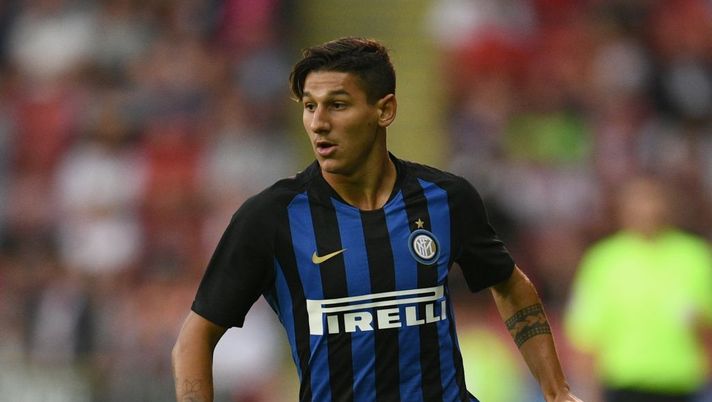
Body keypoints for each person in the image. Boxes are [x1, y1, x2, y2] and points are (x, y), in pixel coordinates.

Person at [172, 36, 582, 402]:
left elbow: (510, 286)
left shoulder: (445, 199)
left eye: (337, 105)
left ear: (384, 110)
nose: (319, 123)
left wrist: (557, 391)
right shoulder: (271, 217)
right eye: (310, 106)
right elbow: (195, 337)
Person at [565, 176, 712, 402]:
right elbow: (585, 334)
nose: (646, 210)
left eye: (652, 201)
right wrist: (588, 391)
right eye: (638, 203)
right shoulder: (603, 261)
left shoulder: (695, 257)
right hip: (622, 384)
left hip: (682, 385)